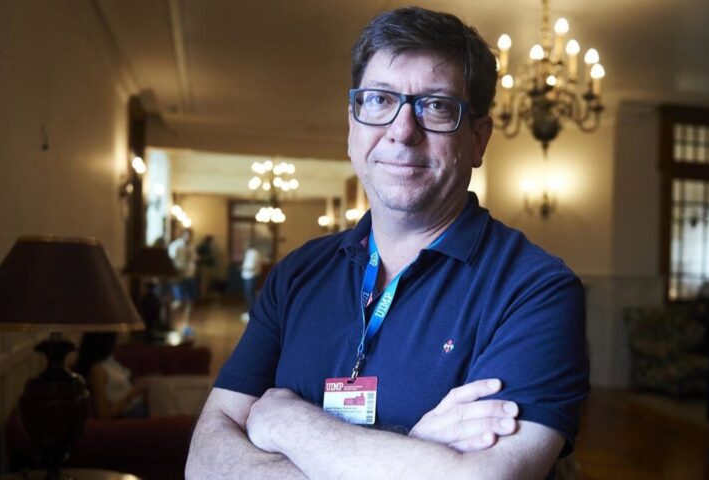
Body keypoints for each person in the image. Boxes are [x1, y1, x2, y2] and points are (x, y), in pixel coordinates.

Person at [186, 7, 589, 479]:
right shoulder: (296, 274)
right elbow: (203, 462)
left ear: (479, 140)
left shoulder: (537, 290)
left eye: (436, 106)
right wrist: (412, 452)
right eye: (379, 100)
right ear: (352, 126)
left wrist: (286, 422)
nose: (402, 130)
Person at [75, 333, 148, 419]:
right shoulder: (98, 370)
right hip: (130, 412)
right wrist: (131, 395)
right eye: (114, 338)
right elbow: (103, 414)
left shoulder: (110, 361)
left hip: (138, 405)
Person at [241, 241, 262, 320]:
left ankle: (252, 313)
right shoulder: (253, 253)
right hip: (250, 276)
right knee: (250, 294)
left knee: (250, 295)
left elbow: (251, 266)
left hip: (250, 276)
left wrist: (243, 268)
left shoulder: (252, 253)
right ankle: (251, 312)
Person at [196, 235, 217, 301]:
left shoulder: (207, 247)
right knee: (204, 282)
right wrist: (208, 258)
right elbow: (199, 257)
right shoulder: (203, 247)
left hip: (207, 266)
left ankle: (205, 295)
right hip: (205, 266)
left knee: (206, 281)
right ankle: (203, 296)